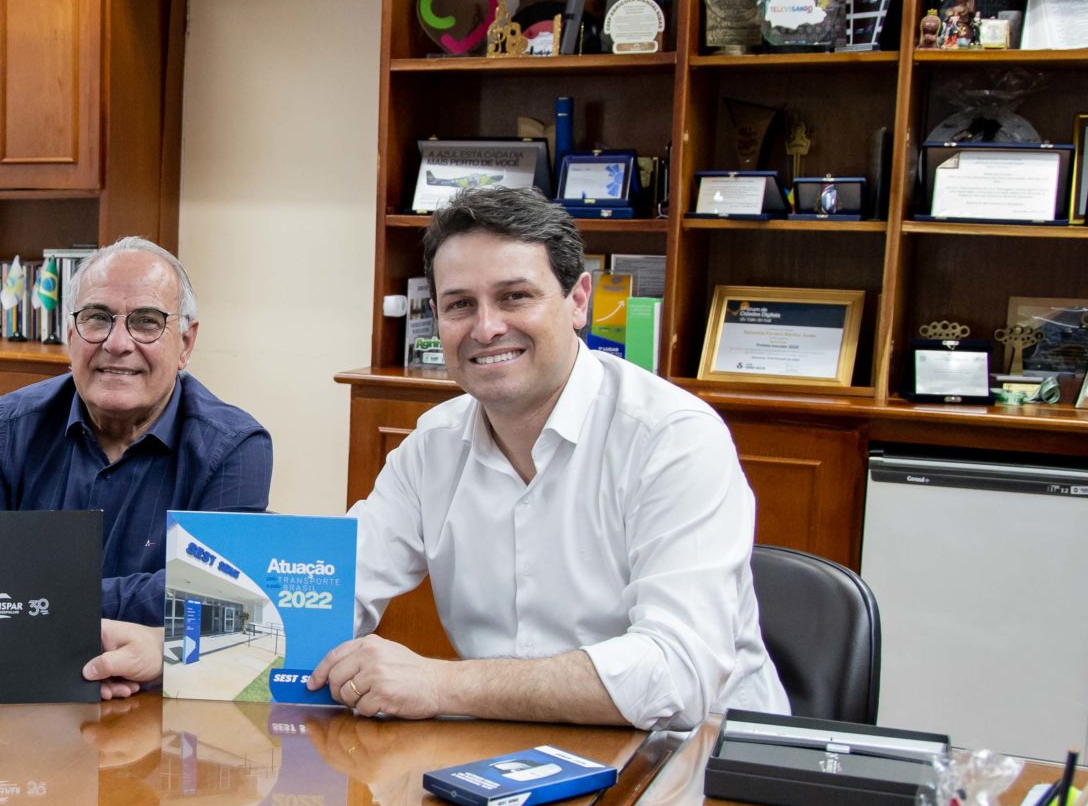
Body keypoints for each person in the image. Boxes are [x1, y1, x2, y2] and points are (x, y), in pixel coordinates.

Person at [87, 190, 783, 729]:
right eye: (459, 305)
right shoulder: (433, 446)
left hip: (697, 770)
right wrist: (170, 649)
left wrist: (443, 685)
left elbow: (676, 673)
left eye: (515, 296)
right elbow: (332, 594)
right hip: (508, 754)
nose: (486, 327)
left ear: (577, 301)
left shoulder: (673, 438)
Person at [0, 237, 272, 637]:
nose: (117, 344)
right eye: (97, 317)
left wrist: (37, 599)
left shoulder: (235, 448)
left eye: (147, 321)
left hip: (159, 683)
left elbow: (216, 600)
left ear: (185, 344)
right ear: (69, 335)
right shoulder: (2, 428)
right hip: (17, 666)